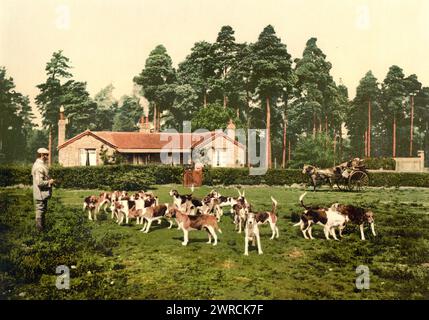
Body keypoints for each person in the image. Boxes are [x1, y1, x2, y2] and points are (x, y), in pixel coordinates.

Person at [31, 148, 54, 231]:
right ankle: (39, 231)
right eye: (45, 155)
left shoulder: (40, 165)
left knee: (42, 211)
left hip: (42, 194)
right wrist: (49, 182)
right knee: (40, 211)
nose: (47, 157)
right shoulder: (39, 167)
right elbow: (39, 182)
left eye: (47, 154)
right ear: (41, 155)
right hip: (40, 194)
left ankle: (42, 230)